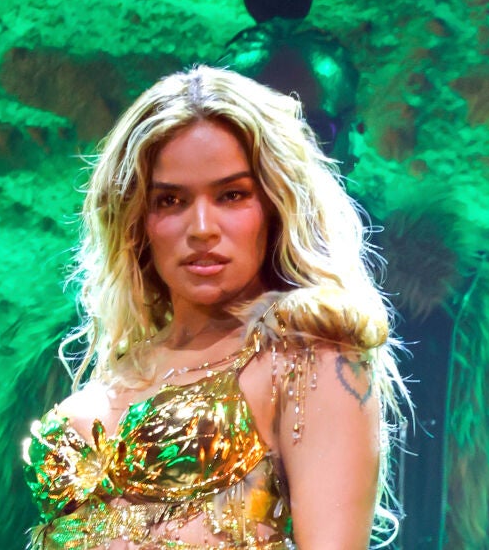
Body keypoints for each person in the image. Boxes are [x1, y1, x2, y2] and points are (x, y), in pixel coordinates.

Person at [22, 65, 409, 549]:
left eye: (231, 195)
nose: (202, 227)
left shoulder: (310, 359)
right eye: (170, 200)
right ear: (136, 217)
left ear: (275, 204)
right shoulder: (116, 371)